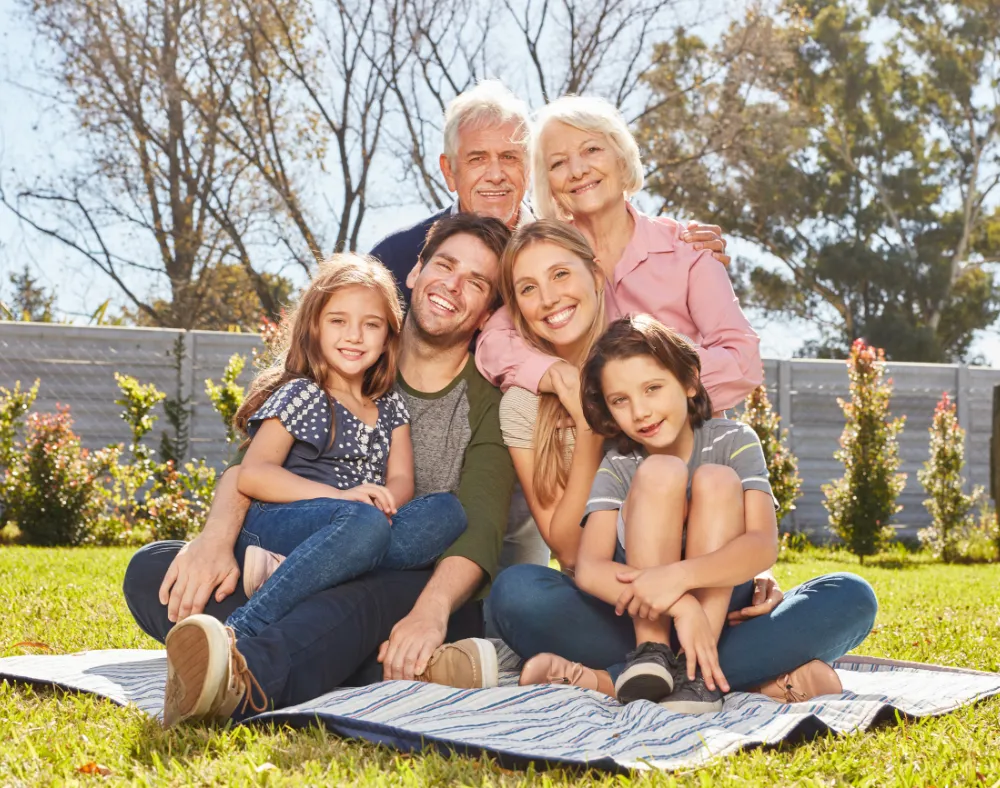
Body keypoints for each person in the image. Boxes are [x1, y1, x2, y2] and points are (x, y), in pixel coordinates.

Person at [123, 214, 517, 726]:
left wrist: (430, 611)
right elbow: (250, 471)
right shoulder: (343, 366)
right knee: (155, 569)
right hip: (306, 544)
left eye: (478, 282)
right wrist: (216, 542)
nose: (454, 285)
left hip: (411, 588)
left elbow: (479, 529)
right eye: (445, 264)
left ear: (489, 310)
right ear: (416, 272)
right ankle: (402, 672)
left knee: (381, 572)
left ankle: (244, 676)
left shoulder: (489, 402)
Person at [487, 322, 872, 707]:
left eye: (652, 388)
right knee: (516, 591)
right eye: (619, 400)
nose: (640, 411)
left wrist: (677, 578)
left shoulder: (734, 441)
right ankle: (664, 657)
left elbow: (761, 546)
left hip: (723, 620)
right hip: (633, 618)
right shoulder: (619, 464)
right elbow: (590, 568)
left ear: (689, 381)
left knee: (851, 596)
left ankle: (618, 678)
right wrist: (680, 605)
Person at [181, 256, 467, 653]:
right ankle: (241, 631)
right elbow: (253, 474)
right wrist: (346, 499)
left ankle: (306, 571)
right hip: (279, 522)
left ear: (388, 336)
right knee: (363, 524)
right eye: (338, 321)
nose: (355, 336)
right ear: (314, 326)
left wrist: (388, 502)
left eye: (371, 325)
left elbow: (402, 478)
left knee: (447, 512)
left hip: (360, 526)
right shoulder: (304, 393)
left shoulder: (390, 406)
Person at [476, 95, 762, 415]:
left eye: (592, 150)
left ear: (621, 158)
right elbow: (493, 344)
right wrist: (557, 375)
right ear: (550, 187)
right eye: (558, 163)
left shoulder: (689, 250)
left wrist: (651, 382)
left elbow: (744, 360)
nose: (578, 170)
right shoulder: (545, 259)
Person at [495, 221, 608, 570]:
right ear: (518, 310)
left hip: (684, 574)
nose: (548, 299)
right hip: (596, 588)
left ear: (596, 276)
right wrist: (589, 428)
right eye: (528, 288)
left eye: (560, 274)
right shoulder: (522, 404)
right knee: (519, 591)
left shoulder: (648, 367)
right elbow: (570, 553)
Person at [369, 80, 531, 298]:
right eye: (477, 159)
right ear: (449, 171)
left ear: (529, 168)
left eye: (509, 157)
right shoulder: (395, 257)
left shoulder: (563, 248)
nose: (495, 175)